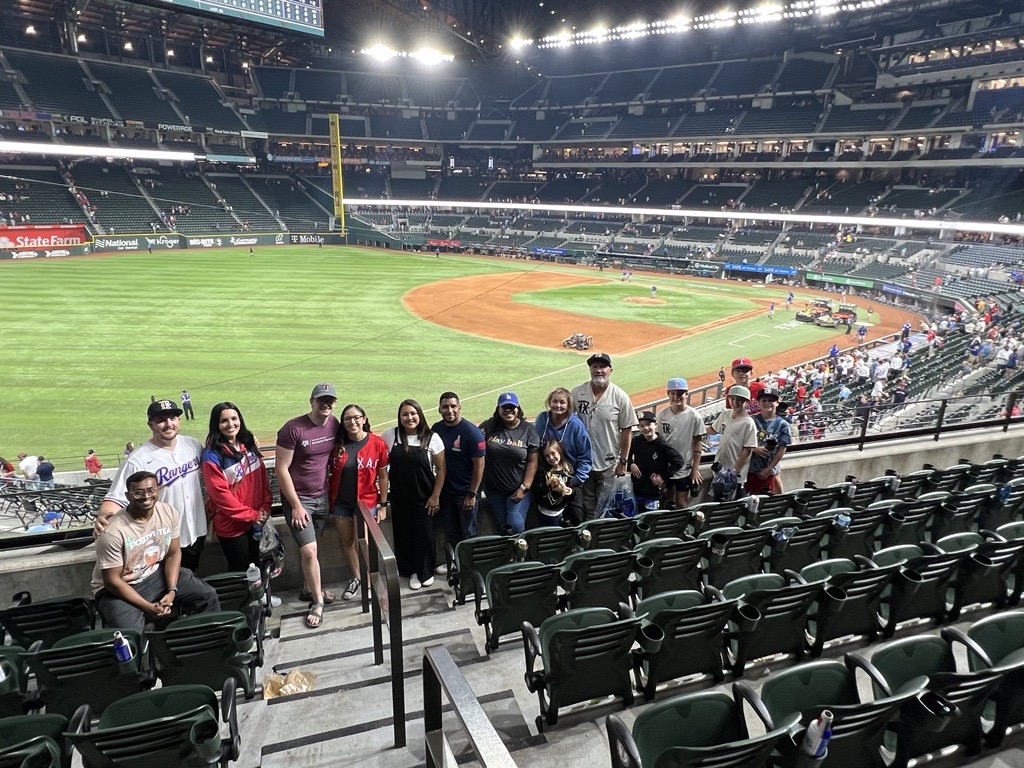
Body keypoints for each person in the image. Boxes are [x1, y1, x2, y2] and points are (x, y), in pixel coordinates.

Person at [91, 470, 219, 633]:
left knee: (207, 595)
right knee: (133, 635)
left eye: (151, 490)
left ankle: (210, 645)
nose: (146, 496)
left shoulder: (168, 512)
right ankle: (147, 657)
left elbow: (173, 553)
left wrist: (172, 590)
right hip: (119, 588)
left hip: (154, 575)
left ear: (158, 490)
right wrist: (149, 607)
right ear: (127, 496)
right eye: (138, 492)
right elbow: (112, 581)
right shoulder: (112, 531)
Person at [96, 400, 206, 574]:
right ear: (151, 424)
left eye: (173, 418)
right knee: (169, 589)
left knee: (192, 577)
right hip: (163, 540)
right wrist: (103, 517)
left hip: (197, 530)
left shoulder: (193, 445)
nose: (169, 424)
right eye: (162, 420)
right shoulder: (138, 459)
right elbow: (115, 499)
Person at [276, 384, 341, 629]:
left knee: (313, 547)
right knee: (309, 551)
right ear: (311, 401)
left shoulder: (334, 423)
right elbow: (281, 469)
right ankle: (317, 601)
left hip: (322, 496)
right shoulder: (293, 429)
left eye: (330, 400)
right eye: (321, 400)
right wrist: (296, 505)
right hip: (299, 500)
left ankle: (308, 589)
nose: (326, 404)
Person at [327, 404, 389, 603]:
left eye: (356, 418)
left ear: (364, 419)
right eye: (347, 419)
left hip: (366, 501)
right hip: (340, 502)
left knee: (364, 544)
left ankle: (370, 582)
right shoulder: (336, 445)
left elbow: (383, 477)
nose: (352, 422)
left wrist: (383, 504)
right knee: (347, 541)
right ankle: (357, 578)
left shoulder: (377, 443)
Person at [382, 399, 446, 590]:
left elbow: (441, 470)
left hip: (425, 497)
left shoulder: (432, 438)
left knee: (425, 535)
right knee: (404, 535)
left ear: (420, 415)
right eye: (405, 414)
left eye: (413, 413)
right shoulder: (390, 435)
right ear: (400, 417)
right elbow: (381, 466)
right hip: (400, 496)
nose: (409, 418)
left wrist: (435, 496)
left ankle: (425, 571)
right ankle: (410, 571)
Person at [201, 402, 272, 573]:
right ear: (216, 425)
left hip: (256, 519)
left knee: (258, 561)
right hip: (232, 525)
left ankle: (260, 598)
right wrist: (252, 515)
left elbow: (262, 479)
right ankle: (245, 600)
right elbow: (221, 496)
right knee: (241, 569)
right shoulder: (212, 455)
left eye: (234, 418)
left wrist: (265, 506)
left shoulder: (247, 443)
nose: (231, 424)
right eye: (224, 421)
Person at [571, 353, 638, 519]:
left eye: (602, 367)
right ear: (590, 370)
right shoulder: (578, 393)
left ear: (610, 370)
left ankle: (599, 537)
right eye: (595, 367)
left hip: (609, 463)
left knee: (605, 504)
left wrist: (623, 461)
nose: (598, 370)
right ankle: (588, 536)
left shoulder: (620, 396)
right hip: (583, 461)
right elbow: (567, 423)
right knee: (586, 505)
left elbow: (626, 431)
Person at [432, 392, 486, 566]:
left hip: (465, 493)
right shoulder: (436, 429)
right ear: (439, 409)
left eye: (453, 406)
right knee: (452, 532)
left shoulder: (471, 432)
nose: (450, 410)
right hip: (446, 492)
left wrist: (472, 494)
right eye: (445, 406)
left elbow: (480, 465)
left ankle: (470, 567)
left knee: (469, 533)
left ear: (460, 408)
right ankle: (456, 563)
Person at [479, 393, 540, 534]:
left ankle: (521, 553)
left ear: (518, 409)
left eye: (512, 407)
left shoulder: (528, 430)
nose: (508, 410)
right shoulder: (489, 426)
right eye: (504, 407)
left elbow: (532, 462)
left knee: (515, 525)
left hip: (517, 489)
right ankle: (510, 555)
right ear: (498, 409)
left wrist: (525, 487)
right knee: (503, 527)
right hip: (494, 490)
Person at [533, 388, 591, 525]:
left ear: (569, 405)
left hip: (570, 478)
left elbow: (586, 458)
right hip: (547, 477)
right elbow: (534, 446)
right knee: (547, 517)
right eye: (554, 401)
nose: (558, 405)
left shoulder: (576, 426)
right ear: (549, 402)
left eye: (562, 402)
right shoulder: (542, 419)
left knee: (576, 516)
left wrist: (575, 481)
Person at [657, 378, 706, 508]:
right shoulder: (662, 415)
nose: (676, 397)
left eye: (680, 393)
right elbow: (659, 441)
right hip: (666, 467)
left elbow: (697, 443)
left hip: (684, 467)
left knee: (681, 502)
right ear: (668, 394)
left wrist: (695, 469)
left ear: (686, 394)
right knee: (666, 500)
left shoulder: (694, 416)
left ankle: (683, 527)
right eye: (673, 393)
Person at [708, 385, 758, 500]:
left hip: (735, 474)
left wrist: (734, 471)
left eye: (740, 399)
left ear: (747, 402)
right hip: (720, 468)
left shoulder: (748, 423)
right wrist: (697, 428)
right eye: (733, 398)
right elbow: (713, 429)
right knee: (718, 501)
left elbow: (747, 449)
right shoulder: (725, 414)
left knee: (736, 502)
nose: (735, 402)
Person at [628, 411, 684, 510]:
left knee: (650, 518)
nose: (645, 428)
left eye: (649, 424)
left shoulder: (662, 445)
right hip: (636, 490)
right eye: (642, 425)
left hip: (653, 493)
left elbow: (679, 461)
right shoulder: (636, 441)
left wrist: (663, 476)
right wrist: (631, 464)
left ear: (656, 425)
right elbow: (626, 455)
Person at [747, 389, 793, 495]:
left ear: (777, 403)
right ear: (758, 403)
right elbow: (740, 442)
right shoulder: (750, 421)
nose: (767, 403)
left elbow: (782, 449)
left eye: (771, 400)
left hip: (769, 470)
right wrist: (754, 449)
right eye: (764, 400)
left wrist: (769, 468)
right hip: (749, 468)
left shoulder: (783, 424)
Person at [536, 440, 575, 527]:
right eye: (547, 456)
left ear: (560, 452)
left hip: (560, 511)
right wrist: (547, 484)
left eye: (553, 453)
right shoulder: (543, 471)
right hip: (544, 511)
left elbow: (573, 490)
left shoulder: (568, 469)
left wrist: (570, 491)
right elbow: (536, 490)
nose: (551, 458)